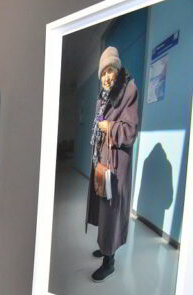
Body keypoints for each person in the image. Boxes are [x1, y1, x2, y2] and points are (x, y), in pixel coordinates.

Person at [86, 46, 139, 282]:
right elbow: (98, 123)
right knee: (102, 207)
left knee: (112, 210)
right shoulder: (103, 96)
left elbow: (130, 131)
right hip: (102, 160)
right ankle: (105, 246)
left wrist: (110, 127)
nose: (107, 76)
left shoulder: (129, 90)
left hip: (116, 165)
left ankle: (110, 261)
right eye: (103, 72)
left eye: (111, 70)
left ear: (118, 70)